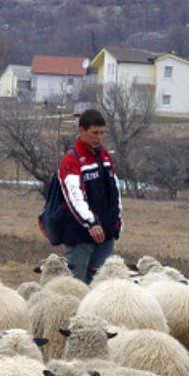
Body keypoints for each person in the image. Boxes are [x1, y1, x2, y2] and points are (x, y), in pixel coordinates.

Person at [57, 108, 122, 284]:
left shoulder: (105, 156)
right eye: (94, 133)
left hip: (106, 234)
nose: (99, 137)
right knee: (77, 284)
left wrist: (117, 220)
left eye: (102, 133)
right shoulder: (72, 159)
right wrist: (91, 222)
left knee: (101, 285)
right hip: (81, 235)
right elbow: (74, 195)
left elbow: (115, 189)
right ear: (82, 131)